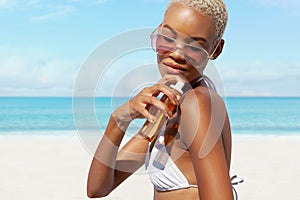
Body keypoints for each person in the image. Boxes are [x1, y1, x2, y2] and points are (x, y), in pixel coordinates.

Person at [87, 0, 238, 199]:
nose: (176, 54)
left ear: (215, 50)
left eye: (195, 46)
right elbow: (98, 188)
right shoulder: (170, 103)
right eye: (167, 38)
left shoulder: (196, 103)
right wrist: (119, 119)